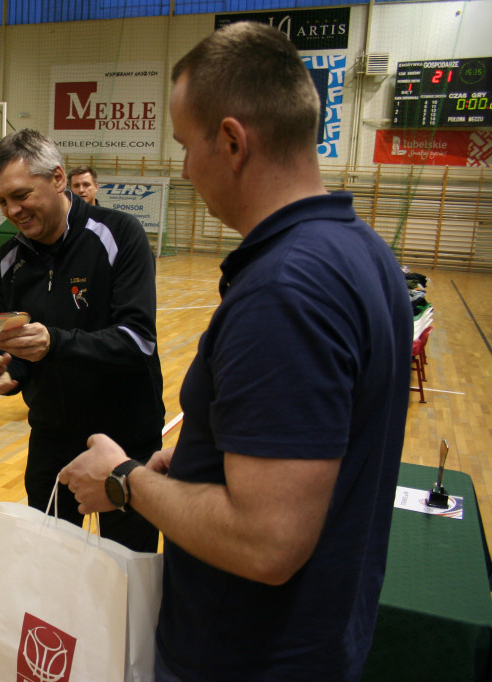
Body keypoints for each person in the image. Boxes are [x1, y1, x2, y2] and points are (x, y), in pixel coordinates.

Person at [59, 22, 413, 681]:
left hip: (245, 656)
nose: (186, 168)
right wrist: (201, 458)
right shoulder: (364, 252)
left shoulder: (284, 291)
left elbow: (266, 541)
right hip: (317, 640)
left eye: (187, 146)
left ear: (231, 141)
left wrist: (123, 479)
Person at [0, 128, 165, 552]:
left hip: (125, 439)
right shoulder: (7, 261)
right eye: (2, 201)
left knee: (128, 574)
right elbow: (5, 341)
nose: (12, 210)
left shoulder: (120, 235)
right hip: (51, 439)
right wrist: (4, 369)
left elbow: (138, 342)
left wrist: (56, 343)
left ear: (59, 179)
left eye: (21, 195)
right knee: (48, 572)